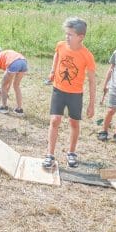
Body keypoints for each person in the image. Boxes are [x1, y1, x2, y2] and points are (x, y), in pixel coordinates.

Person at [42, 17, 96, 169]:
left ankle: (71, 152)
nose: (67, 37)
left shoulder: (87, 55)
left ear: (81, 37)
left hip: (75, 94)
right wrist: (52, 71)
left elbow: (92, 81)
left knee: (74, 122)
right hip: (58, 90)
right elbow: (57, 55)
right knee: (55, 120)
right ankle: (50, 154)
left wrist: (91, 104)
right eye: (66, 33)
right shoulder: (61, 45)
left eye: (70, 34)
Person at [0, 47, 28, 115]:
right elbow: (9, 81)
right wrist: (6, 91)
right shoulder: (4, 57)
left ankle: (3, 107)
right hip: (23, 62)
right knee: (16, 85)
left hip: (14, 63)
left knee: (3, 85)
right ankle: (19, 109)